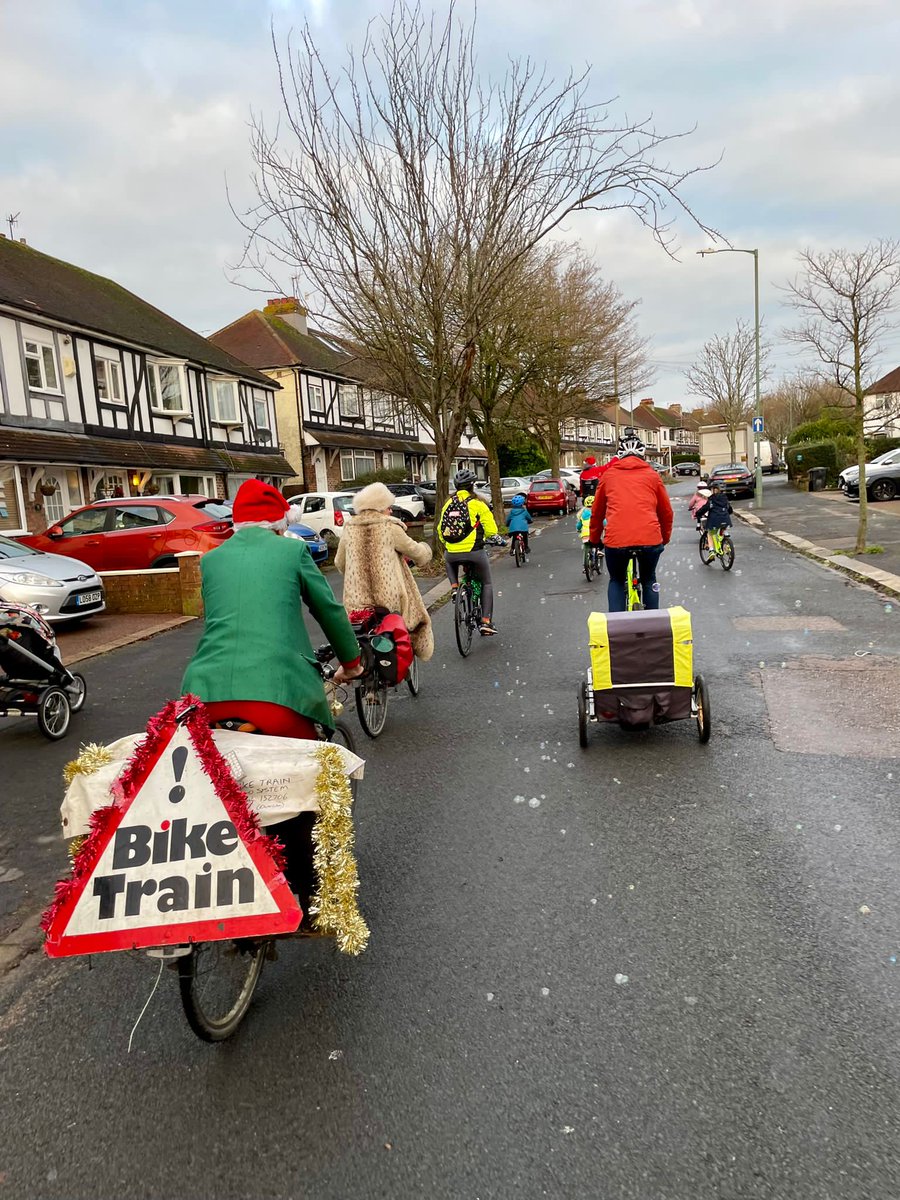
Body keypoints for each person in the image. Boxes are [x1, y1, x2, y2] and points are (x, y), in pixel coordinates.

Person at [181, 479, 364, 915]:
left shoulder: (212, 560)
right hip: (277, 695)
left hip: (204, 696)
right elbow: (329, 610)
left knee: (213, 786)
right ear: (280, 523)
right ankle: (314, 899)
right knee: (305, 786)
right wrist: (352, 663)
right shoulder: (291, 551)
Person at [334, 481, 435, 661]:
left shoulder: (349, 528)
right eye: (388, 507)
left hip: (356, 601)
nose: (390, 511)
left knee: (360, 634)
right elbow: (416, 552)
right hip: (388, 599)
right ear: (380, 508)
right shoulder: (390, 527)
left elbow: (339, 563)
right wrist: (426, 551)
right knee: (412, 617)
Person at [589, 430, 673, 612]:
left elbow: (597, 513)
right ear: (642, 454)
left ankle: (617, 627)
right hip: (650, 540)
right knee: (649, 578)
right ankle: (652, 623)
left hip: (617, 541)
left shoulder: (608, 476)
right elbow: (666, 512)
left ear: (618, 455)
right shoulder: (652, 476)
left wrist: (594, 539)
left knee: (617, 580)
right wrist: (663, 538)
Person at [438, 468, 499, 635]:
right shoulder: (478, 504)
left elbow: (440, 530)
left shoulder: (448, 504)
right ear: (472, 486)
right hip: (475, 552)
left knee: (449, 559)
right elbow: (491, 529)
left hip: (452, 553)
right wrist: (494, 538)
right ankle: (485, 622)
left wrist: (448, 544)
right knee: (486, 583)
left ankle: (455, 587)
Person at [695, 483, 733, 552]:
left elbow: (705, 508)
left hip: (714, 520)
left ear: (712, 490)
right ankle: (726, 546)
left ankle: (711, 550)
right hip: (726, 519)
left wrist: (698, 514)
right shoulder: (725, 498)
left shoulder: (711, 499)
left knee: (710, 533)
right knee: (723, 531)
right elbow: (729, 509)